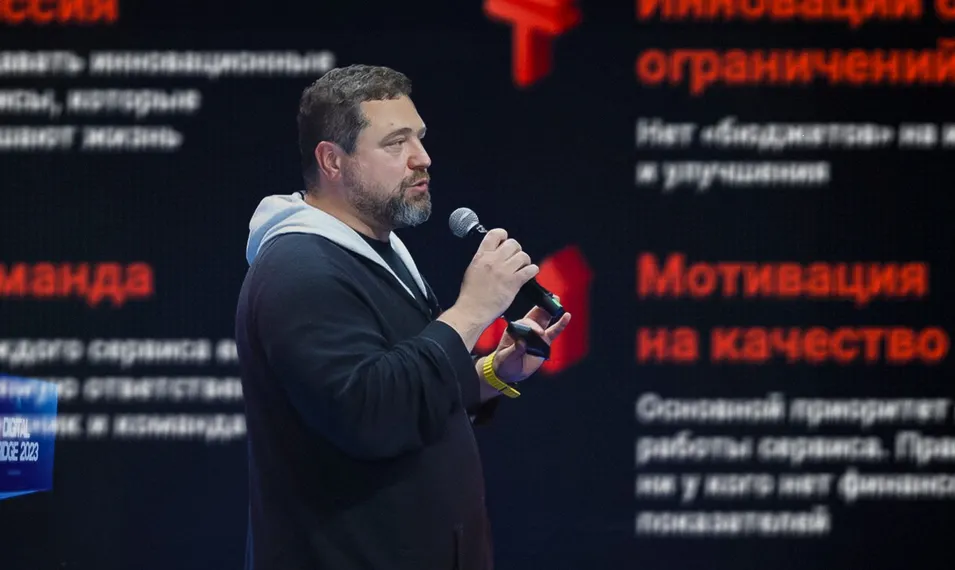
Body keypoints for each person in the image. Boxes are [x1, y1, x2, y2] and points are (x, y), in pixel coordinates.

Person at [234, 63, 572, 570]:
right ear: (332, 160)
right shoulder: (299, 270)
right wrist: (472, 311)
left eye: (420, 137)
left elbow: (402, 385)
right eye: (396, 142)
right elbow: (369, 416)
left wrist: (488, 375)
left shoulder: (376, 251)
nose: (422, 158)